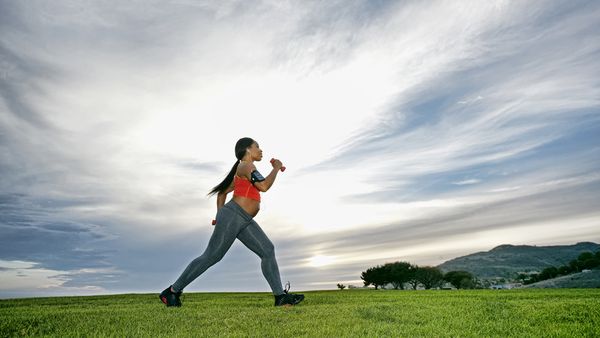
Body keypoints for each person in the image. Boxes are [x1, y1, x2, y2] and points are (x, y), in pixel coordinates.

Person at [159, 137, 304, 307]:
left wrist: (220, 215)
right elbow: (263, 186)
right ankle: (172, 292)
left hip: (243, 219)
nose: (260, 150)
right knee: (212, 256)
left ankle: (280, 297)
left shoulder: (243, 170)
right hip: (234, 216)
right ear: (248, 150)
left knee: (267, 250)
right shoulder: (246, 166)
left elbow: (222, 193)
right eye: (257, 146)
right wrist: (276, 168)